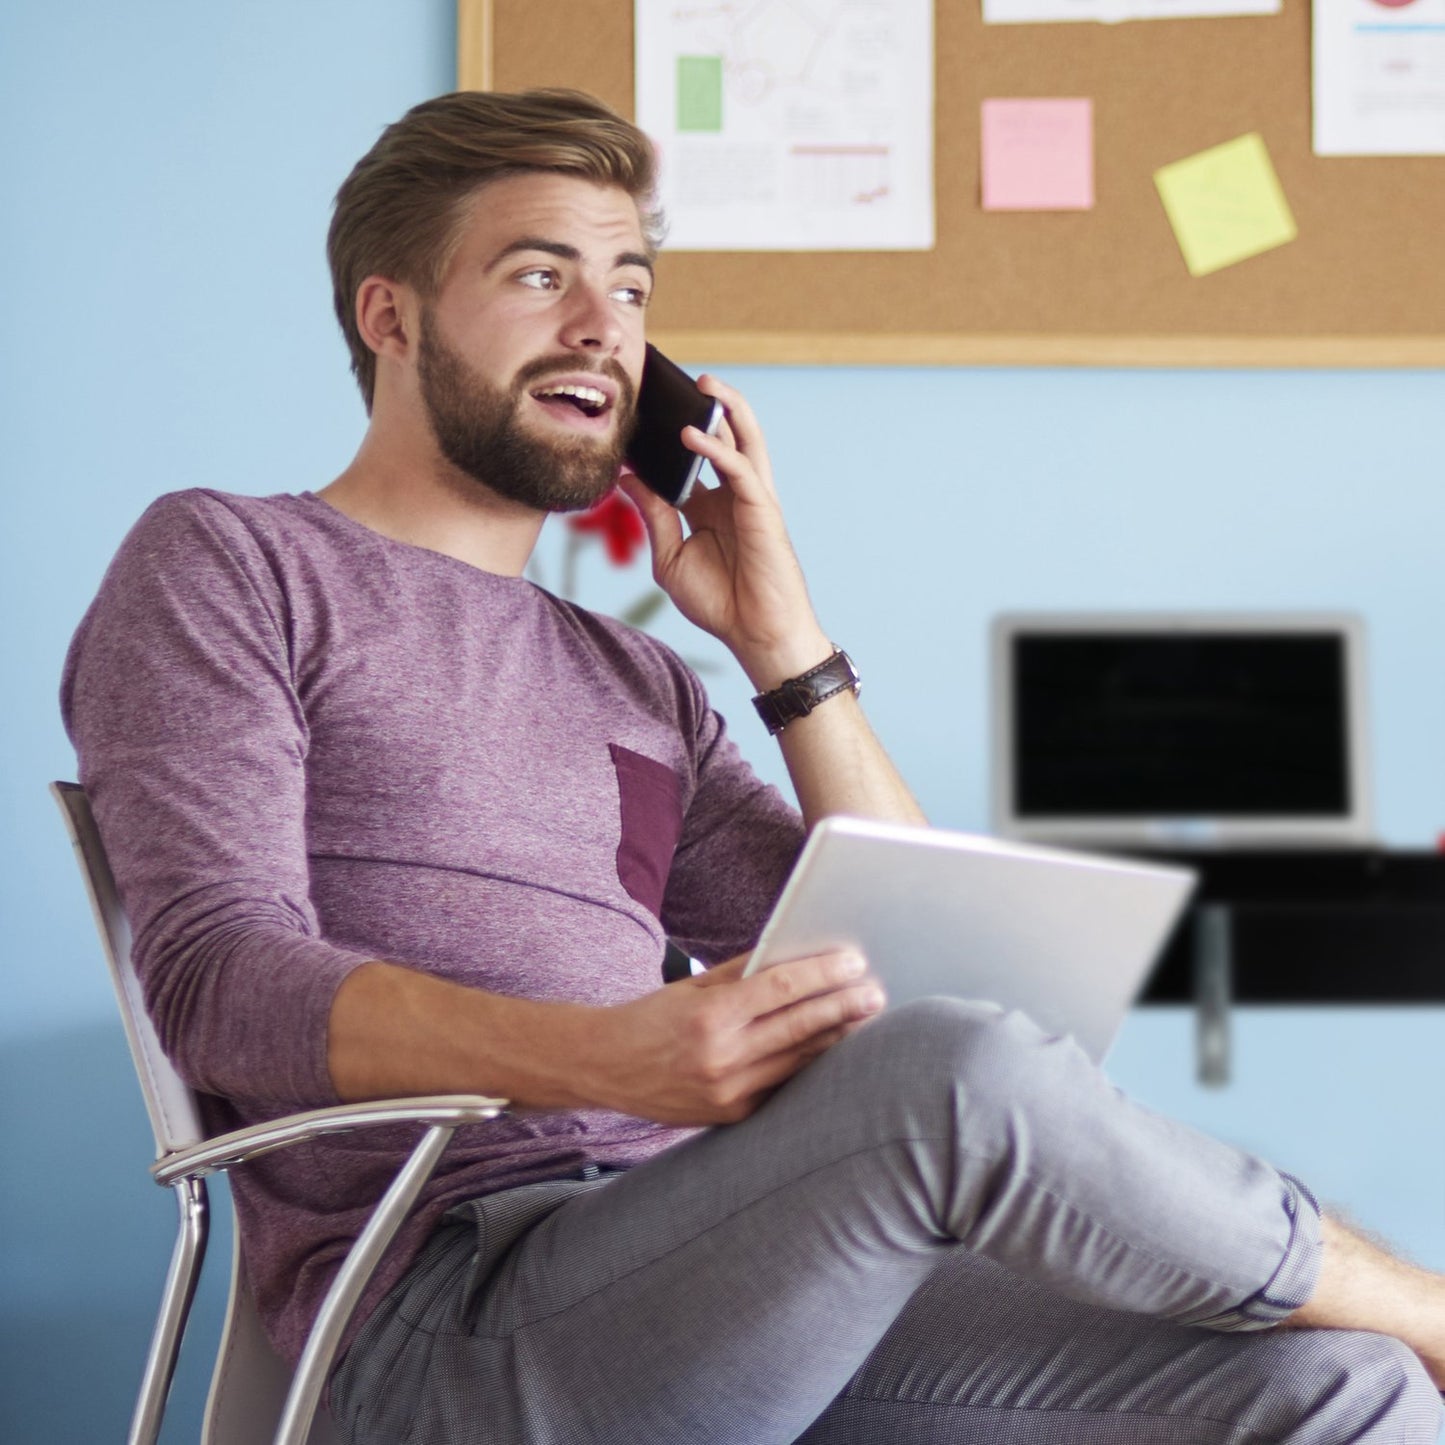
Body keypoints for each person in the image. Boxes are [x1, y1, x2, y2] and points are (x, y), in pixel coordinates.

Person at [62, 88, 1445, 1445]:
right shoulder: (228, 563)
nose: (602, 326)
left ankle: (1406, 1323)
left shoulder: (638, 675)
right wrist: (605, 1054)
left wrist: (783, 646)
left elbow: (926, 981)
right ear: (391, 315)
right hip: (452, 1313)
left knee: (1343, 1386)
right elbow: (217, 978)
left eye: (631, 285)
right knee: (950, 1075)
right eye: (541, 275)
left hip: (725, 1270)